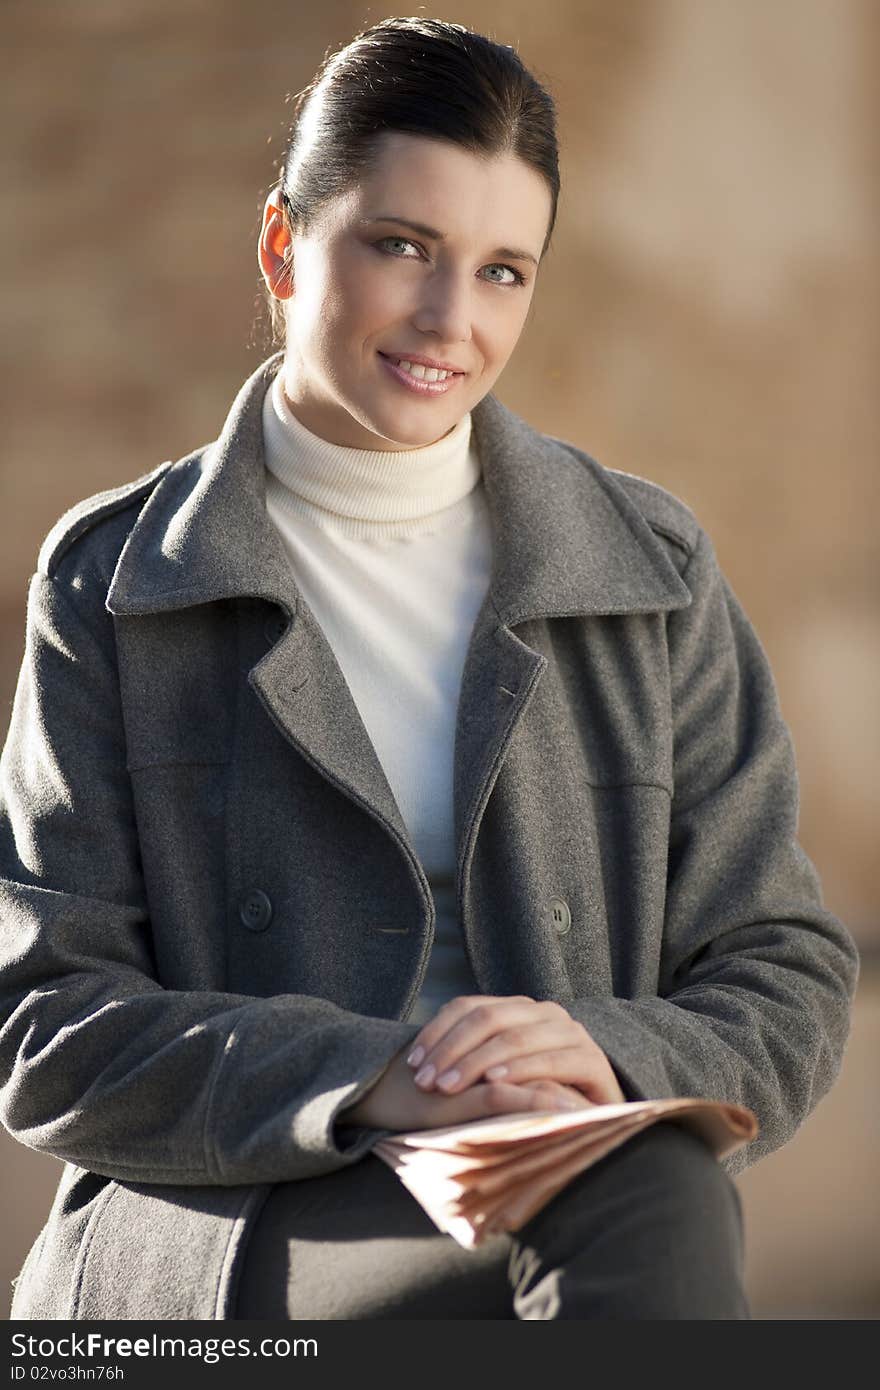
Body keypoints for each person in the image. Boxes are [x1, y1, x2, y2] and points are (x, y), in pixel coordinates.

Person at [0, 16, 859, 1322]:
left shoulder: (647, 566)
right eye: (402, 247)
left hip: (556, 1182)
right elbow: (46, 1020)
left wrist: (606, 1049)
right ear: (285, 247)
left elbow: (783, 960)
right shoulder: (117, 579)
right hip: (240, 1212)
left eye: (504, 269)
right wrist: (374, 1075)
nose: (452, 320)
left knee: (658, 1184)